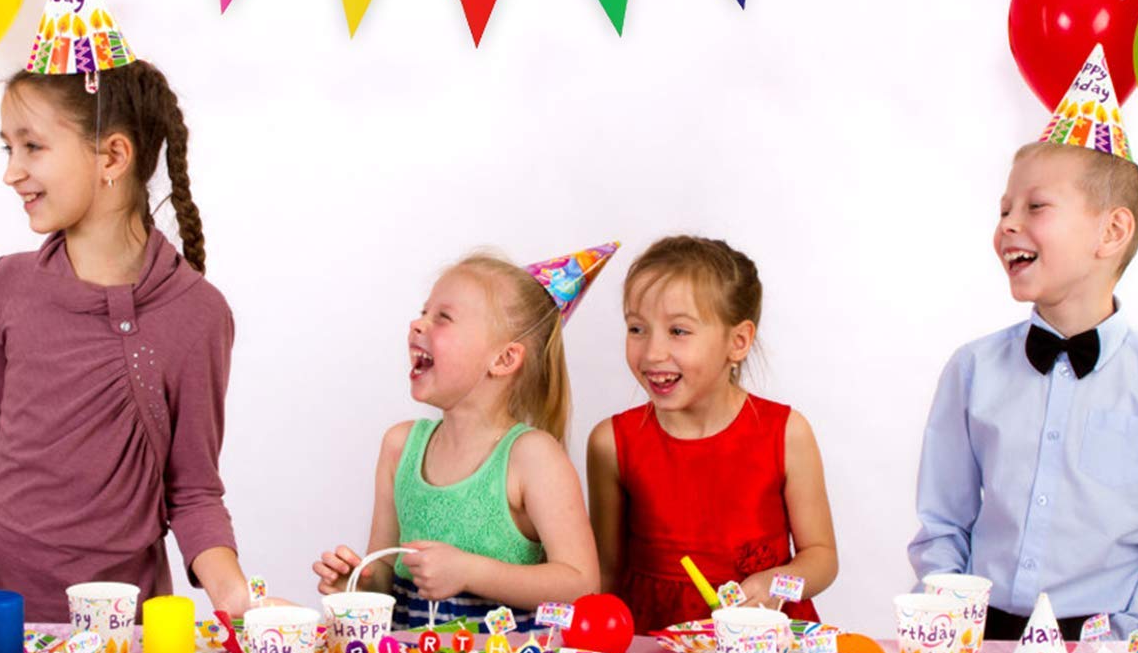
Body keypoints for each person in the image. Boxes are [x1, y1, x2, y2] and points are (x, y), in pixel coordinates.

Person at [0, 0, 250, 621]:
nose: (12, 171)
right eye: (8, 147)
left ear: (112, 157)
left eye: (32, 146)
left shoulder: (198, 314)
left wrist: (238, 597)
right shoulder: (10, 286)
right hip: (1, 621)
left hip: (126, 634)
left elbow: (193, 492)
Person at [909, 47, 1138, 653]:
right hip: (981, 640)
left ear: (1112, 232)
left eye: (1035, 207)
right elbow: (943, 523)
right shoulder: (972, 371)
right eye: (1004, 209)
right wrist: (952, 623)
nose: (1008, 224)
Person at [314, 252, 599, 627]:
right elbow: (385, 569)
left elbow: (582, 584)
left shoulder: (531, 457)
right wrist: (359, 583)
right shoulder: (400, 446)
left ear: (503, 359)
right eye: (424, 312)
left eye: (443, 318)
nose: (417, 324)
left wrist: (469, 572)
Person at [587, 235, 838, 632]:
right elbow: (606, 573)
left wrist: (778, 584)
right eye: (637, 328)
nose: (651, 353)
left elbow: (822, 558)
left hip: (763, 644)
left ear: (738, 342)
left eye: (678, 331)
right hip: (654, 645)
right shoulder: (611, 444)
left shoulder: (787, 433)